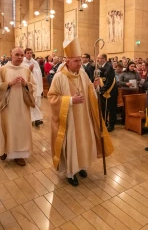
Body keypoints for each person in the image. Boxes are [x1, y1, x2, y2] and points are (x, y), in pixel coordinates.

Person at [48, 38, 114, 186]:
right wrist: (70, 100)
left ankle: (81, 166)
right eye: (76, 61)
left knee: (84, 142)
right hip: (69, 119)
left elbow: (89, 90)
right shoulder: (59, 77)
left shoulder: (83, 74)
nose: (79, 64)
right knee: (72, 144)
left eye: (80, 60)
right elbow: (51, 97)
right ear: (67, 61)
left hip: (84, 117)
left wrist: (95, 86)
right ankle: (71, 172)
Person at [0, 47, 36, 166]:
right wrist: (9, 84)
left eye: (22, 55)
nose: (20, 57)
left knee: (20, 129)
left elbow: (34, 86)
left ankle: (19, 155)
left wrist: (26, 84)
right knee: (8, 127)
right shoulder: (2, 70)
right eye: (17, 54)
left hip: (23, 106)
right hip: (8, 106)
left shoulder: (27, 70)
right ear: (10, 55)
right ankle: (5, 150)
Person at [94, 53, 118, 132]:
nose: (98, 59)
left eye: (99, 58)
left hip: (110, 91)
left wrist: (102, 90)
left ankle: (111, 125)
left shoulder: (109, 67)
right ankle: (104, 123)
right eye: (97, 58)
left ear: (104, 59)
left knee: (111, 109)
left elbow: (109, 81)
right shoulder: (101, 67)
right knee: (103, 108)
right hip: (103, 90)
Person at [23, 48, 44, 126]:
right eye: (28, 53)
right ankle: (32, 118)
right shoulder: (22, 62)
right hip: (27, 85)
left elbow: (39, 73)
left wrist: (33, 70)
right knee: (29, 101)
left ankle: (36, 119)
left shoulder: (35, 62)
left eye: (31, 53)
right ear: (25, 54)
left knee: (36, 101)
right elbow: (22, 72)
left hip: (35, 84)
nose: (29, 54)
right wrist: (29, 70)